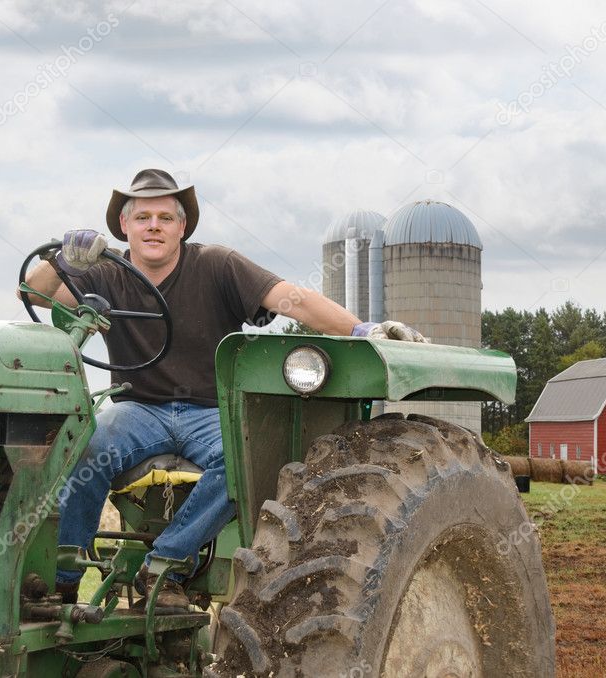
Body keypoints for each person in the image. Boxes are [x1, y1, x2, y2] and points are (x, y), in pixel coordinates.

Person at [23, 168, 425, 611]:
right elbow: (38, 295)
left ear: (182, 226)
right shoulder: (105, 273)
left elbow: (290, 297)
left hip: (209, 410)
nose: (153, 226)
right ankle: (63, 577)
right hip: (138, 409)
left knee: (242, 462)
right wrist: (64, 258)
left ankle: (166, 563)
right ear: (125, 226)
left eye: (164, 217)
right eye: (142, 218)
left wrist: (361, 328)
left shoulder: (217, 264)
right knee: (85, 447)